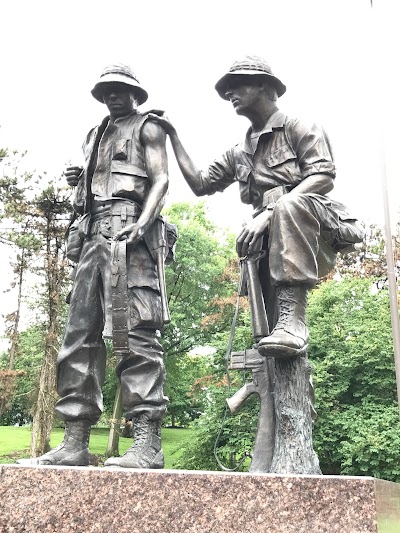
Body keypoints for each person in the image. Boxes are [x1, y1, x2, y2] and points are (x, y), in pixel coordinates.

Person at [149, 55, 363, 358]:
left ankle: (294, 325)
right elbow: (200, 184)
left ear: (263, 85)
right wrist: (172, 135)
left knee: (289, 205)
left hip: (310, 223)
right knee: (270, 335)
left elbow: (323, 175)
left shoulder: (298, 126)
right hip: (267, 238)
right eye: (227, 90)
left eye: (238, 86)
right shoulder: (239, 151)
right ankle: (283, 347)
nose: (229, 95)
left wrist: (271, 213)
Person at [19, 63, 169, 468]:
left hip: (129, 236)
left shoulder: (148, 128)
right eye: (105, 91)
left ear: (136, 93)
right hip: (90, 236)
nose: (112, 96)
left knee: (134, 332)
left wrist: (143, 222)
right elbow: (93, 185)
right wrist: (79, 177)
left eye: (119, 89)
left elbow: (161, 180)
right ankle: (76, 440)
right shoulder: (94, 134)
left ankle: (147, 442)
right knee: (80, 335)